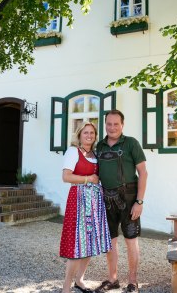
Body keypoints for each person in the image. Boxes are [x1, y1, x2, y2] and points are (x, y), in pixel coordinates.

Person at [95, 109, 148, 293]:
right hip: (106, 199)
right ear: (105, 125)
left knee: (131, 240)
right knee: (110, 242)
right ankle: (113, 279)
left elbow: (143, 173)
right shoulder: (100, 146)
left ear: (122, 125)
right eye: (109, 124)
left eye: (116, 124)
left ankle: (133, 282)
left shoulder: (131, 143)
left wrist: (139, 202)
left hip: (129, 197)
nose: (112, 127)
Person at [60, 121, 112, 293]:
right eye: (86, 133)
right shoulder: (72, 151)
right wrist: (88, 179)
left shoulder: (95, 154)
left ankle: (79, 280)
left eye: (92, 133)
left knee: (89, 244)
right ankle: (66, 287)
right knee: (77, 245)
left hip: (95, 203)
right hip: (79, 201)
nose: (89, 136)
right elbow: (66, 177)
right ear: (79, 135)